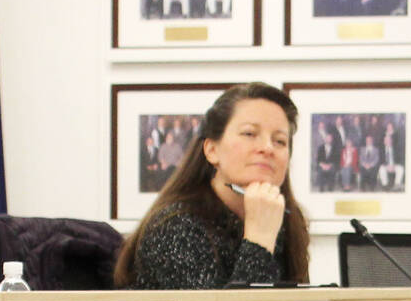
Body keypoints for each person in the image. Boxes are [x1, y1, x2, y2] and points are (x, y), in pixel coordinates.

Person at [115, 82, 310, 289]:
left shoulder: (285, 217)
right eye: (249, 134)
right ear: (211, 150)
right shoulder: (176, 225)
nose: (267, 148)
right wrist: (260, 239)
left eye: (280, 141)